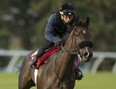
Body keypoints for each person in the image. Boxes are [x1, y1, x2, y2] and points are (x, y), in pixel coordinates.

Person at [29, 3, 83, 80]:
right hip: (53, 35)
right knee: (47, 45)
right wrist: (57, 40)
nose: (68, 19)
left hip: (66, 36)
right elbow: (47, 33)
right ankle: (36, 59)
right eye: (66, 16)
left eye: (70, 17)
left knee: (73, 49)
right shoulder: (53, 18)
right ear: (61, 15)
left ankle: (76, 69)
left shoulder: (75, 20)